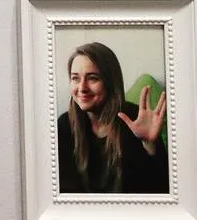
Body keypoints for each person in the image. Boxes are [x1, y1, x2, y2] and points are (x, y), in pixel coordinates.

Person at [57, 42, 168, 194]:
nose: (82, 88)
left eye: (92, 78)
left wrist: (149, 144)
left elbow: (160, 190)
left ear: (111, 81)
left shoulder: (136, 121)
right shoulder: (63, 126)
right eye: (75, 78)